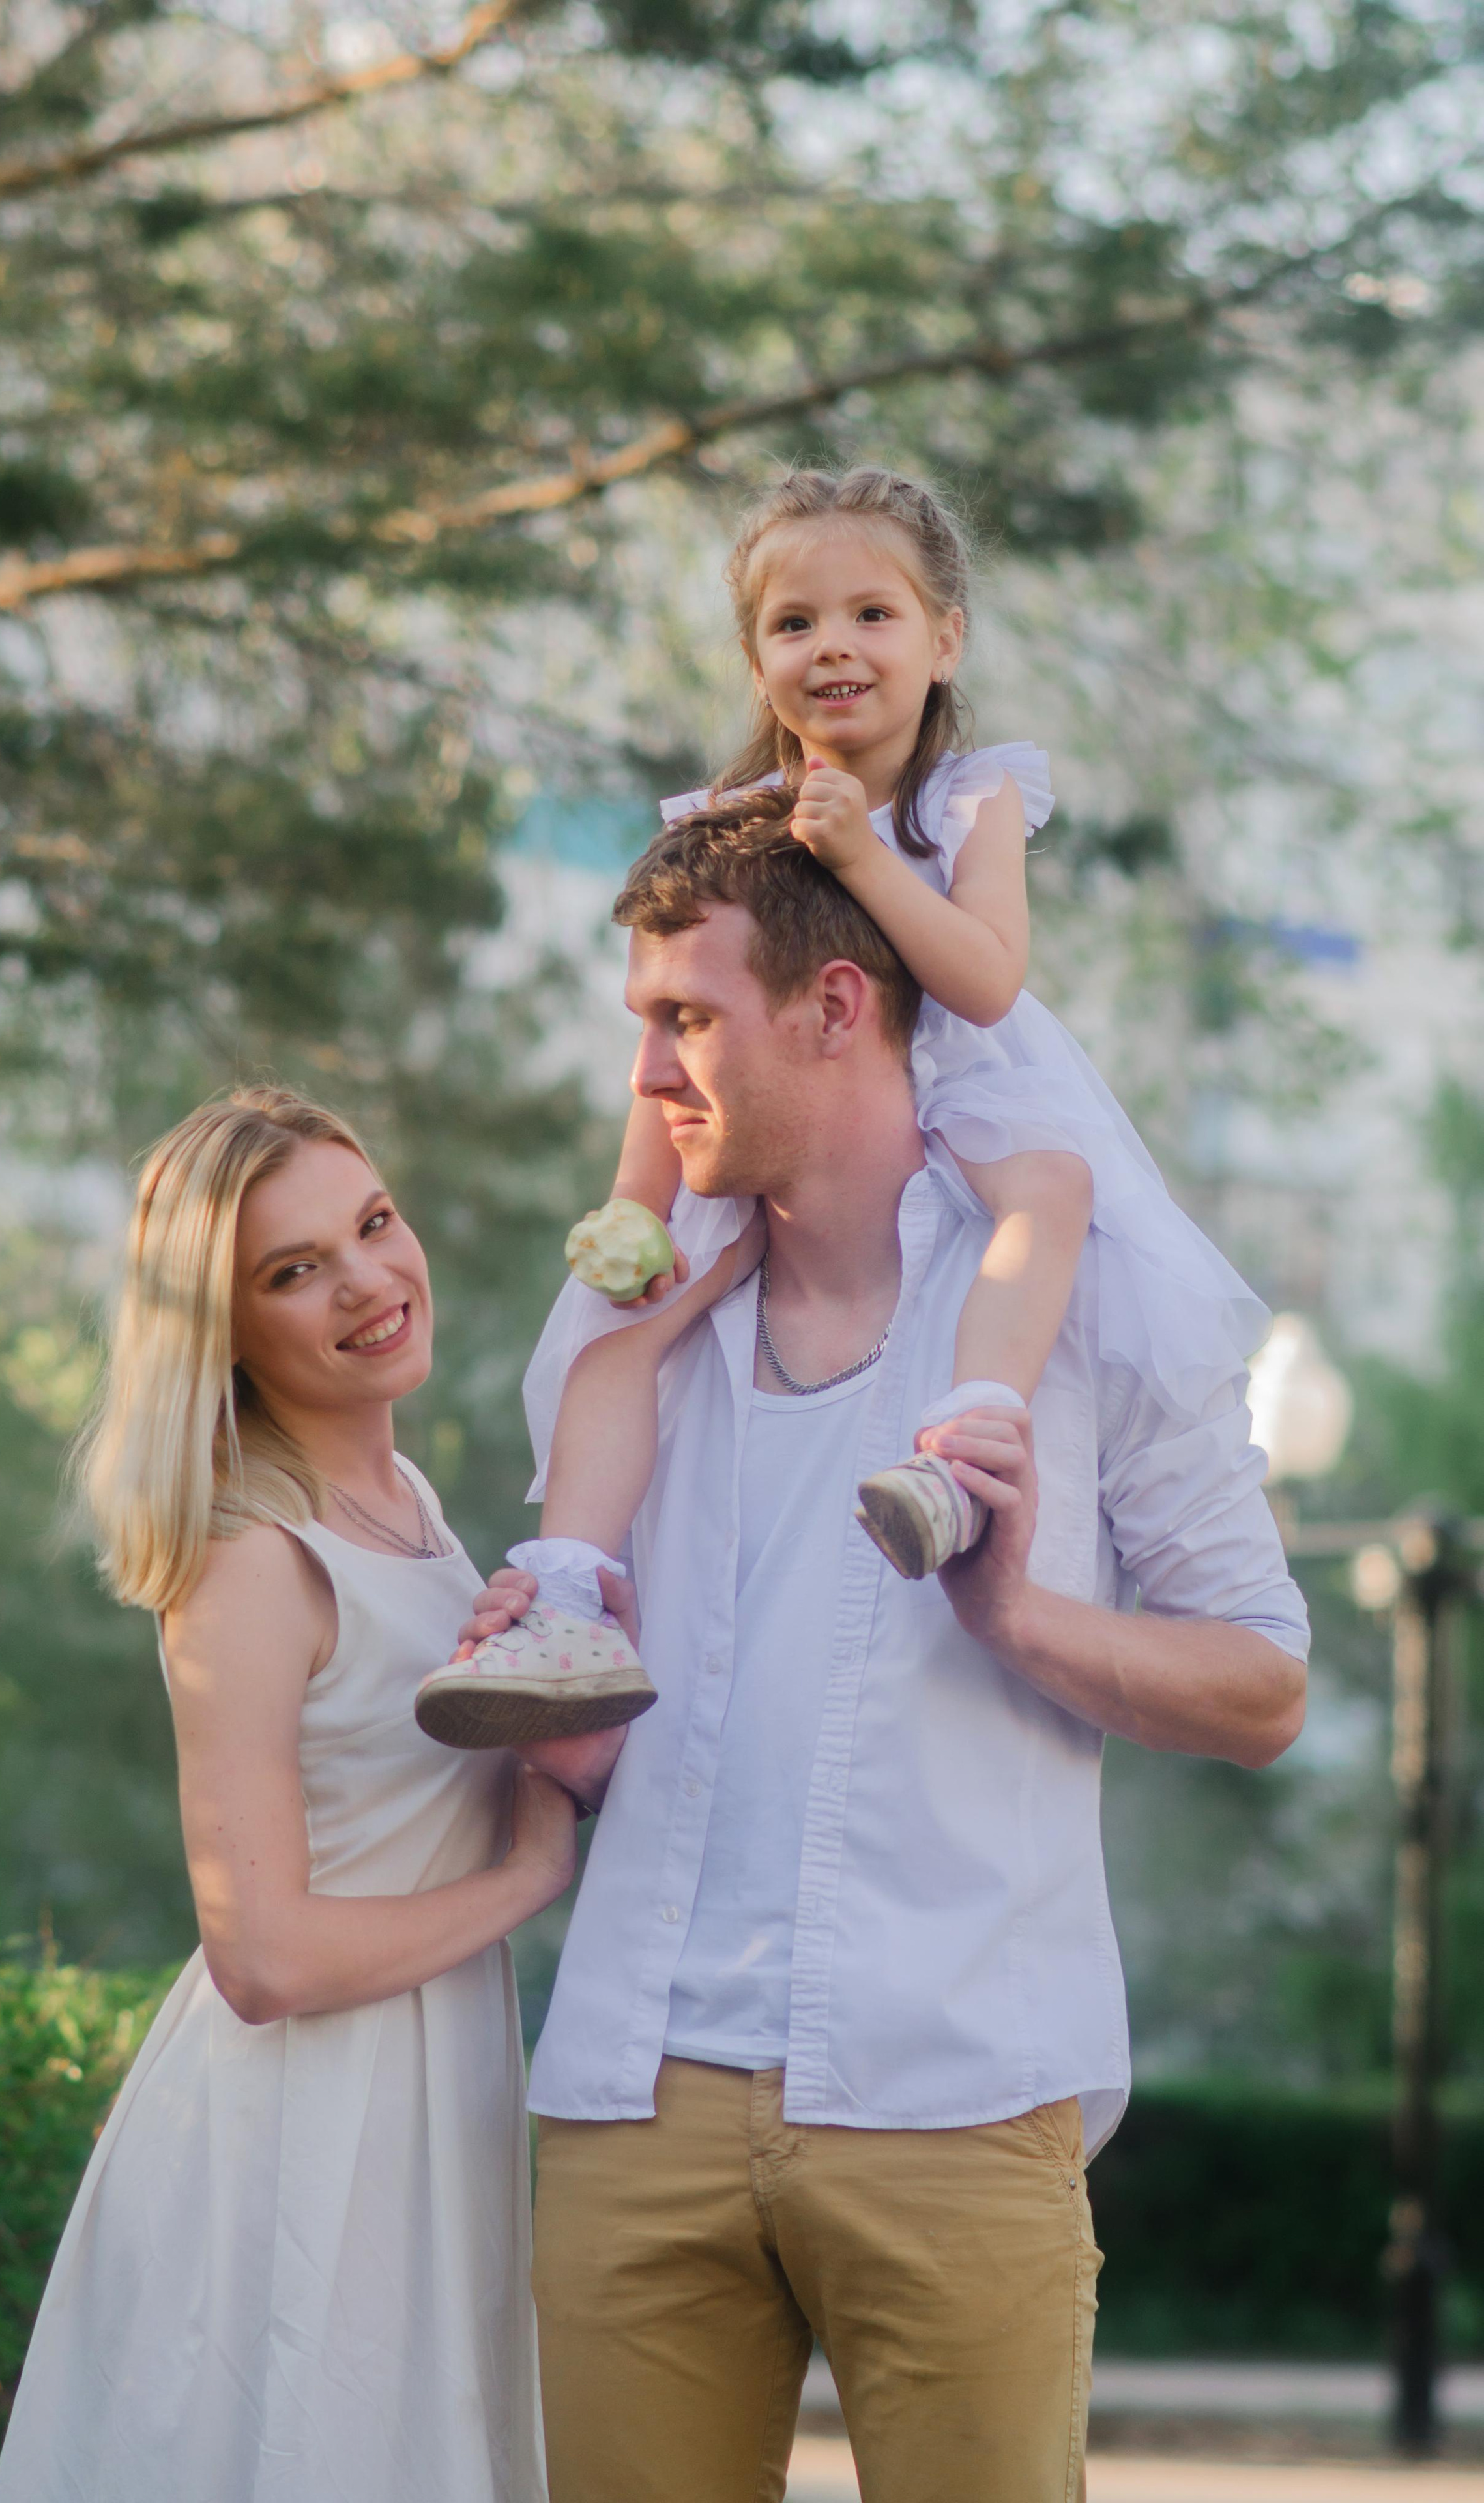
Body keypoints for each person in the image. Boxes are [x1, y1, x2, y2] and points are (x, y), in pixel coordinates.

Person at [456, 823, 1309, 2503]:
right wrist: (552, 1734)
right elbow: (602, 1727)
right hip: (631, 2102)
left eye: (685, 1021)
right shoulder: (622, 1347)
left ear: (835, 1004)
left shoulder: (1077, 1321)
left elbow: (1264, 1689)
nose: (646, 1078)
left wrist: (1019, 1618)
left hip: (956, 2090)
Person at [418, 464, 1264, 1746]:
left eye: (872, 614)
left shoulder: (965, 799)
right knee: (611, 1334)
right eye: (792, 623)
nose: (834, 648)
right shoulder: (727, 823)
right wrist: (631, 1207)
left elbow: (982, 982)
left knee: (1052, 1188)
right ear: (754, 659)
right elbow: (678, 1027)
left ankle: (964, 1444)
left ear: (943, 638)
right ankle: (567, 1585)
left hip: (954, 1080)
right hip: (778, 1124)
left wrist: (862, 853)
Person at [0, 1087, 568, 2503]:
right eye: (293, 1271)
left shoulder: (410, 1502)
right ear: (224, 1331)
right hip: (304, 2131)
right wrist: (529, 1873)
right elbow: (262, 1957)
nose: (367, 1281)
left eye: (372, 1225)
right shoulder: (249, 1556)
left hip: (433, 2101)